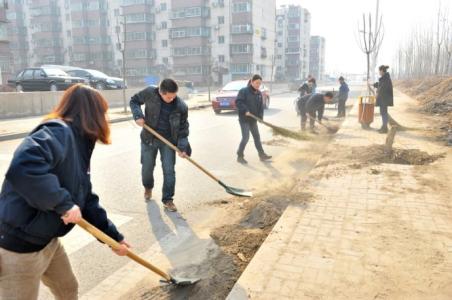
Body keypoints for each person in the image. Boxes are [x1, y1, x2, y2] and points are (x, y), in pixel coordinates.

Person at [0, 84, 129, 300]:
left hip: (48, 239)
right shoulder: (58, 131)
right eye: (103, 112)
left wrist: (114, 238)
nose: (105, 119)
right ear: (91, 112)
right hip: (19, 247)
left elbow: (85, 199)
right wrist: (64, 204)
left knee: (68, 289)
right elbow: (25, 166)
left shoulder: (79, 143)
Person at [130, 79, 190, 212]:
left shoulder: (181, 106)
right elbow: (134, 100)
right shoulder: (150, 93)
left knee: (169, 171)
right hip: (148, 139)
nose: (172, 99)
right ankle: (148, 187)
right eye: (169, 97)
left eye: (174, 96)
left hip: (168, 142)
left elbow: (183, 130)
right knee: (147, 167)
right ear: (160, 92)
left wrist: (183, 147)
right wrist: (138, 115)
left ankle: (168, 199)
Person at [236, 74, 272, 164]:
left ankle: (262, 155)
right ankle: (240, 156)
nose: (258, 85)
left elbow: (260, 107)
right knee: (246, 138)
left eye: (259, 84)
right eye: (256, 83)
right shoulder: (243, 91)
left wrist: (260, 118)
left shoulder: (259, 93)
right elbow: (238, 102)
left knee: (257, 137)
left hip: (253, 119)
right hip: (244, 119)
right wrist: (246, 110)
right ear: (251, 82)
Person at [373, 65, 394, 133]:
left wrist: (377, 93)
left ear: (382, 71)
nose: (379, 72)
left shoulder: (386, 79)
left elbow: (382, 88)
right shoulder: (385, 78)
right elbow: (380, 85)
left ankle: (385, 128)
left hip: (384, 99)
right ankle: (383, 127)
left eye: (379, 71)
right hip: (384, 99)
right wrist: (373, 84)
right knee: (383, 113)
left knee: (384, 113)